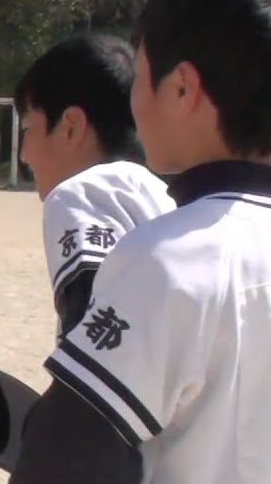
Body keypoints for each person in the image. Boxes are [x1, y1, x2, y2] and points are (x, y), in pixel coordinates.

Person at [2, 0, 271, 484]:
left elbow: (70, 462)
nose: (134, 101)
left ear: (181, 88)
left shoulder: (170, 258)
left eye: (140, 74)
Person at [12, 33, 174, 336]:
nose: (23, 154)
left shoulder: (82, 194)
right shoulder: (163, 197)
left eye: (28, 128)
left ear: (71, 128)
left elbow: (94, 338)